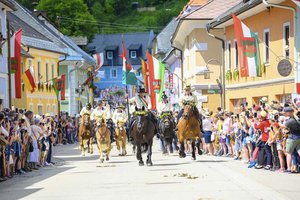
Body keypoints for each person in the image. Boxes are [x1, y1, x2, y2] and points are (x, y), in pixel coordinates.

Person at [279, 107, 300, 173]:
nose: (284, 114)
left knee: (289, 153)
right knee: (299, 151)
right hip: (298, 137)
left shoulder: (291, 120)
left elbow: (284, 126)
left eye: (285, 113)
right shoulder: (297, 119)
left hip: (292, 138)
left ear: (289, 112)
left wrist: (278, 123)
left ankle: (288, 168)